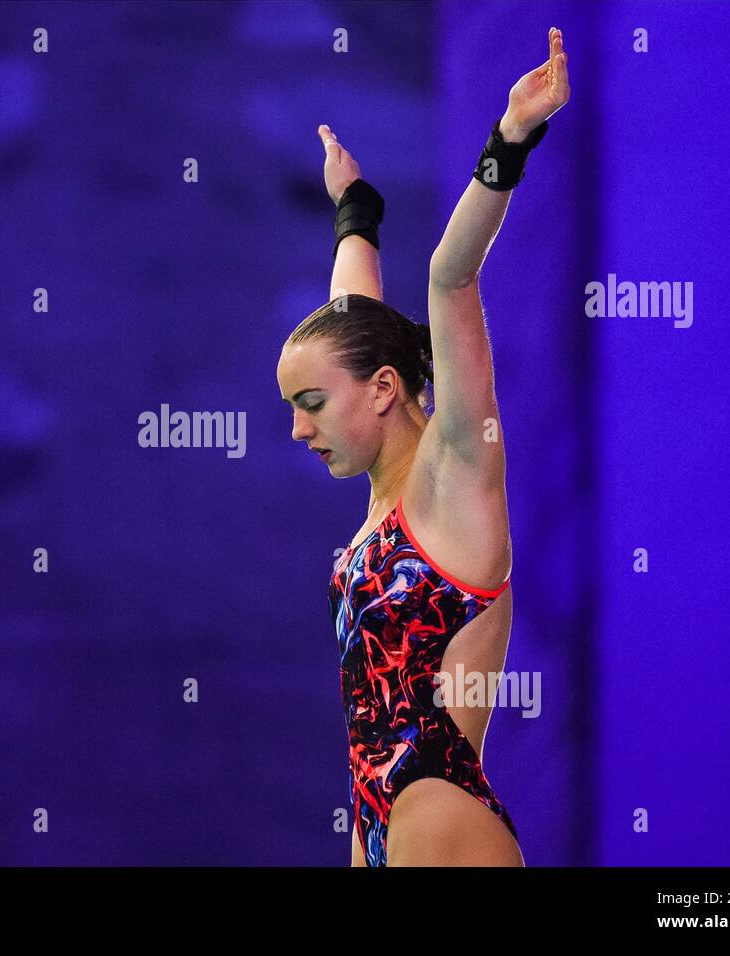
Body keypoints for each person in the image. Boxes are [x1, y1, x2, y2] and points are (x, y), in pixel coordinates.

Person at [277, 27, 571, 867]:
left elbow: (450, 275)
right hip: (379, 815)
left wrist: (509, 138)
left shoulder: (458, 474)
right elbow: (353, 326)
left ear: (382, 391)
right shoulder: (382, 498)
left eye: (308, 405)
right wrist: (354, 211)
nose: (299, 429)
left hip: (438, 809)